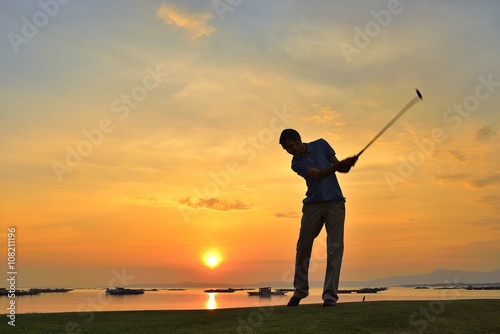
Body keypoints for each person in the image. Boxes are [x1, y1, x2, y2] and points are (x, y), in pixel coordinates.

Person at [279, 128, 358, 307]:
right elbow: (319, 175)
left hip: (336, 204)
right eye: (286, 149)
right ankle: (300, 291)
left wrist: (348, 163)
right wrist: (341, 164)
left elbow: (341, 168)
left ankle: (330, 296)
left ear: (298, 140)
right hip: (313, 205)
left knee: (334, 248)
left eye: (291, 146)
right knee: (303, 247)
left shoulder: (321, 144)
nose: (290, 151)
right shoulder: (295, 163)